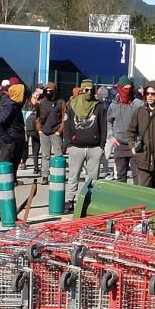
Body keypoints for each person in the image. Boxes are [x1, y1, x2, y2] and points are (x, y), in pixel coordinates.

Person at [63, 79, 108, 213]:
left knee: (92, 178)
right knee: (73, 175)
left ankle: (89, 200)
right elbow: (67, 125)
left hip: (94, 147)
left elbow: (103, 126)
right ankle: (70, 200)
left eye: (91, 90)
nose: (89, 92)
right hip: (76, 147)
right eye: (86, 90)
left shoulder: (98, 106)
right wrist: (69, 144)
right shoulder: (72, 105)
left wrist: (101, 146)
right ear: (82, 90)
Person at [0, 79, 27, 209]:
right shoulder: (11, 106)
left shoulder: (15, 106)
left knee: (10, 175)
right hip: (10, 144)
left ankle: (7, 204)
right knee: (3, 172)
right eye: (23, 94)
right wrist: (8, 140)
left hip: (16, 143)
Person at [107, 76, 142, 184]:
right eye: (125, 88)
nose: (127, 91)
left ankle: (138, 199)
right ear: (120, 88)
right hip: (119, 145)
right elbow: (108, 122)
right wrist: (111, 137)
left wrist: (139, 141)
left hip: (135, 145)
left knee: (138, 176)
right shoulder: (113, 105)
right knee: (121, 177)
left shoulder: (138, 104)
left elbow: (144, 123)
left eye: (130, 88)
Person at [36, 82, 65, 184]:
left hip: (55, 132)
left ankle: (59, 174)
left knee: (58, 154)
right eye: (46, 91)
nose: (48, 92)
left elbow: (64, 118)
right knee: (45, 155)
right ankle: (44, 176)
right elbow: (38, 117)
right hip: (44, 132)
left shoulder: (60, 102)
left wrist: (59, 131)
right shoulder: (42, 102)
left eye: (50, 91)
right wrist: (39, 130)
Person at [21, 86, 43, 175]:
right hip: (27, 126)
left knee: (36, 147)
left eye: (39, 94)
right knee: (25, 146)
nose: (37, 96)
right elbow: (23, 114)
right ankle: (23, 162)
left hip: (37, 128)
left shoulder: (41, 103)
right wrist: (24, 125)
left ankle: (36, 166)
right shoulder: (27, 102)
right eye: (36, 94)